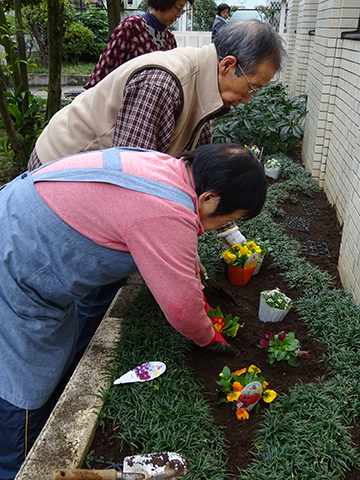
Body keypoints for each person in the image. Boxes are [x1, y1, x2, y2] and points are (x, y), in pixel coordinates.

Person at [27, 19, 285, 372]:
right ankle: (73, 366)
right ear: (228, 65)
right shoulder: (163, 83)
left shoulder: (206, 93)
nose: (247, 99)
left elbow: (204, 182)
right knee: (96, 280)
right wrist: (179, 269)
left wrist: (224, 235)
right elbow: (132, 188)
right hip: (61, 179)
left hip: (95, 185)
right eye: (251, 87)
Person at [0, 143, 267, 479]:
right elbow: (183, 309)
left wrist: (183, 257)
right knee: (23, 383)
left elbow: (152, 227)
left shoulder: (167, 170)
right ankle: (17, 465)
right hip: (14, 270)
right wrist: (210, 338)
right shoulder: (168, 209)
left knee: (54, 350)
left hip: (17, 226)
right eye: (228, 220)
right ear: (210, 199)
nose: (220, 228)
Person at [84, 0, 194, 90]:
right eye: (178, 8)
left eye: (182, 10)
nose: (179, 15)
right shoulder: (130, 27)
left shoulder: (170, 40)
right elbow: (104, 70)